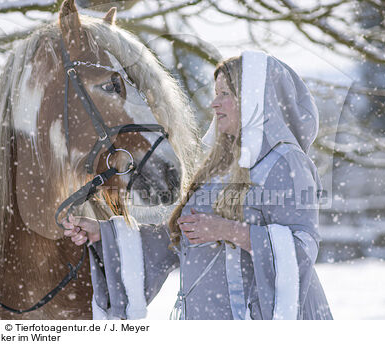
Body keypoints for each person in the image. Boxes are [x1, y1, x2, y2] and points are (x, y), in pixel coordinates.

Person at [63, 51, 333, 320]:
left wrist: (229, 231)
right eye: (215, 93)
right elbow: (183, 237)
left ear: (255, 99)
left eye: (225, 94)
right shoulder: (218, 167)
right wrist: (106, 233)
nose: (214, 104)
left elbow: (301, 249)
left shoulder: (285, 162)